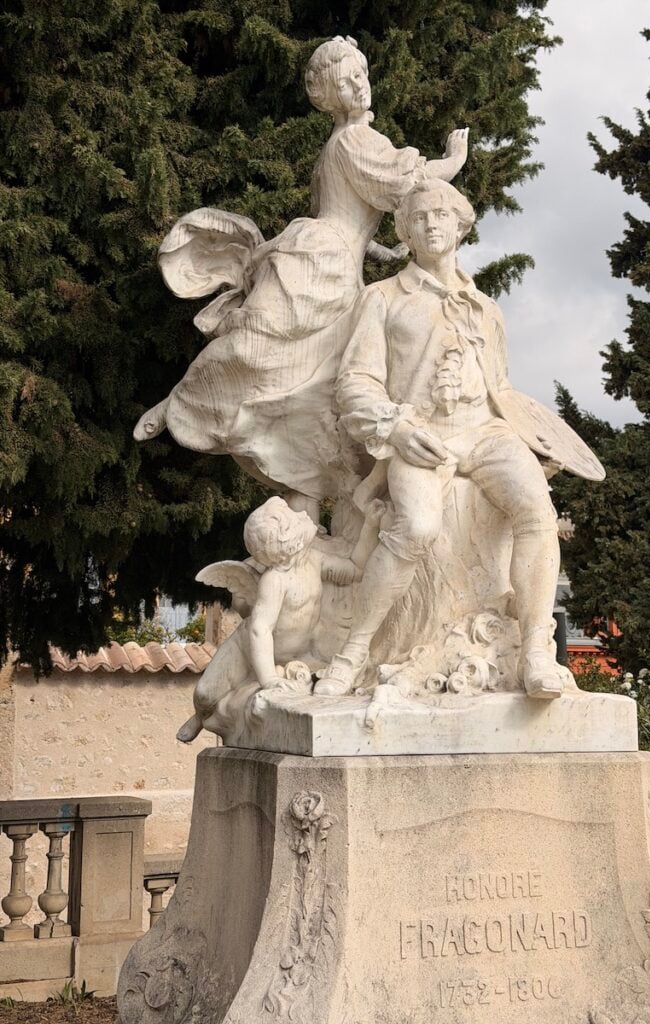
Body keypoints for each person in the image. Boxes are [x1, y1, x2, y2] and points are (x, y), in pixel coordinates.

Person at [134, 36, 469, 514]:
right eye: (347, 81)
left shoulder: (344, 141)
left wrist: (380, 249)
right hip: (321, 258)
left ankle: (301, 477)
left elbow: (352, 211)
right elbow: (403, 183)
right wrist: (452, 161)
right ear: (331, 96)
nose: (360, 85)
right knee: (256, 343)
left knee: (319, 376)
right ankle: (182, 400)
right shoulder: (353, 140)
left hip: (340, 263)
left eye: (361, 75)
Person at [316, 179, 564, 699]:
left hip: (487, 432)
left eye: (442, 214)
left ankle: (537, 650)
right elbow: (355, 382)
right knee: (417, 527)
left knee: (538, 511)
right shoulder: (383, 298)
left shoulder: (486, 308)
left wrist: (536, 441)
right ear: (405, 231)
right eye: (420, 216)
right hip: (421, 435)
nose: (432, 224)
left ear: (460, 225)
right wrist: (398, 429)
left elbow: (501, 389)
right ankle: (354, 651)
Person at [177, 495, 384, 742]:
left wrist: (370, 525)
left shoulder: (314, 560)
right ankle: (199, 716)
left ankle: (222, 709)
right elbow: (259, 630)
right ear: (290, 543)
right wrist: (269, 680)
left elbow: (355, 569)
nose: (303, 514)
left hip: (295, 654)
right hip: (247, 648)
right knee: (205, 694)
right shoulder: (274, 580)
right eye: (295, 519)